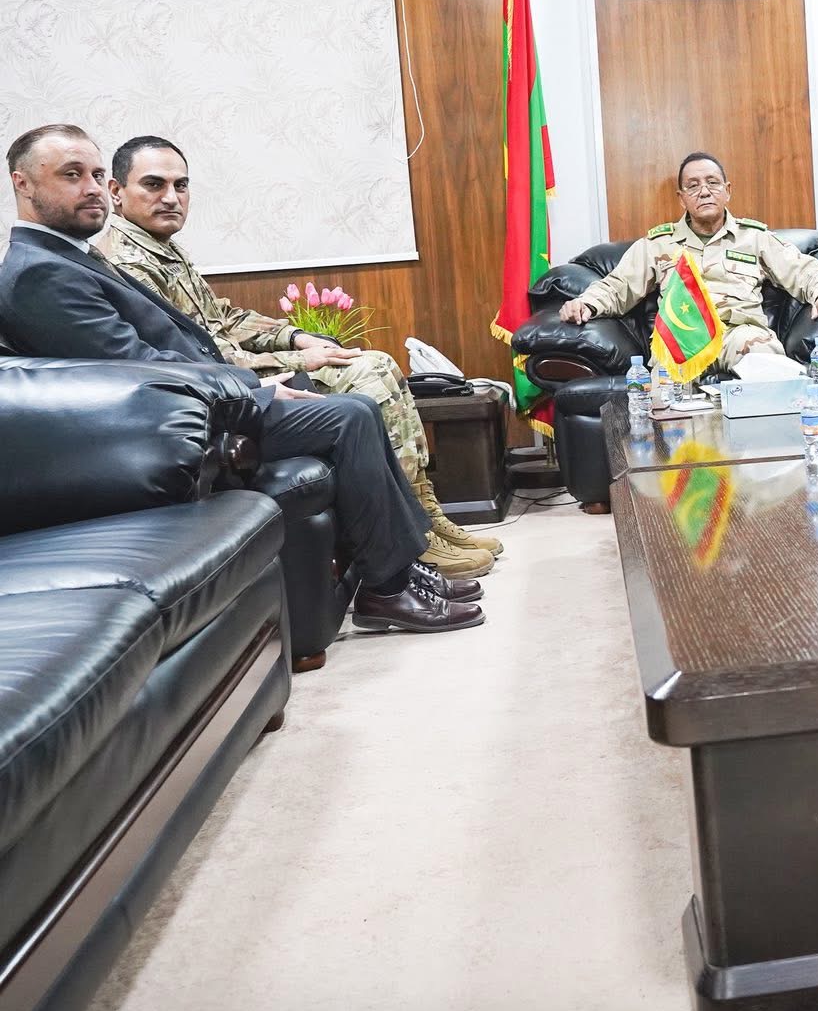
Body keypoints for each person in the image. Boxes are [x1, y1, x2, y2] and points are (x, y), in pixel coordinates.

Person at [0, 124, 483, 635]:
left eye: (96, 174)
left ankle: (400, 567)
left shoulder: (72, 255)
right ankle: (388, 587)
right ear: (23, 184)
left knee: (358, 404)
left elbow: (199, 330)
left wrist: (280, 359)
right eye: (72, 175)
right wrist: (255, 388)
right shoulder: (40, 273)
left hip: (196, 404)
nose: (92, 188)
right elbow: (137, 370)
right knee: (349, 416)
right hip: (170, 429)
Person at [94, 135, 500, 577]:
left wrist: (297, 337)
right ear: (117, 192)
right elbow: (198, 358)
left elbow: (225, 319)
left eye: (181, 185)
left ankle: (426, 512)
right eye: (154, 184)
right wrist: (297, 363)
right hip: (232, 394)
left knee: (378, 362)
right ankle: (416, 534)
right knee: (370, 374)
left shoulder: (163, 248)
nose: (171, 197)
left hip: (243, 375)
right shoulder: (131, 264)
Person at [557, 151, 818, 368]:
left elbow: (801, 269)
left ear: (727, 191)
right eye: (693, 185)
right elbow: (618, 286)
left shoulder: (755, 238)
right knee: (663, 395)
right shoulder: (657, 244)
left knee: (766, 364)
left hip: (741, 334)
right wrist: (585, 303)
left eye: (713, 183)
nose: (705, 191)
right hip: (682, 339)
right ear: (681, 197)